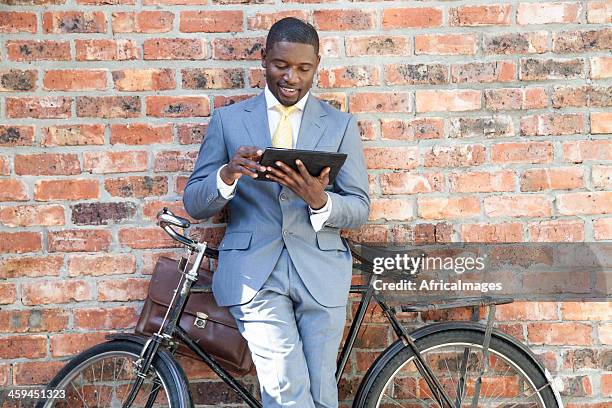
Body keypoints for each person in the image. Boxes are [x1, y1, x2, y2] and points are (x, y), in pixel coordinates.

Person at [183, 17, 370, 408]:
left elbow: (359, 208)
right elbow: (195, 203)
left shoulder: (339, 125)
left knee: (321, 394)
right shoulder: (229, 121)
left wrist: (320, 200)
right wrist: (228, 174)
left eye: (304, 68)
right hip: (255, 274)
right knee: (287, 389)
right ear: (263, 58)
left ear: (317, 63)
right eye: (280, 65)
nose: (291, 78)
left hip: (321, 274)